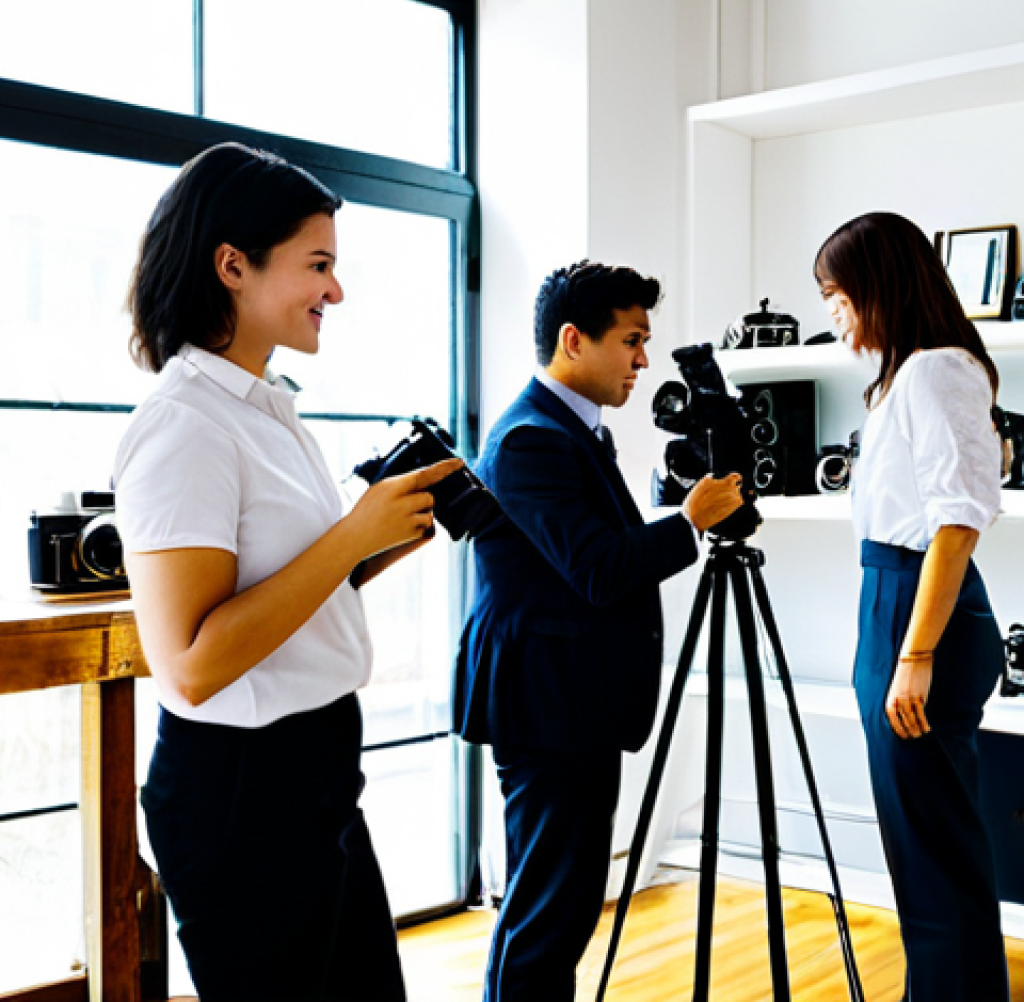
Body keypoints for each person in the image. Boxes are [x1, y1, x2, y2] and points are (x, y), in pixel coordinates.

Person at [113, 141, 461, 1002]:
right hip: (240, 793)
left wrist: (377, 543)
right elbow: (191, 664)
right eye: (318, 266)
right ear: (233, 265)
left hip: (314, 767)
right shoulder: (182, 424)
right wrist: (347, 540)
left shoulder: (266, 407)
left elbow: (285, 595)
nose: (335, 292)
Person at [453, 260, 744, 1001]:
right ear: (574, 340)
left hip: (568, 702)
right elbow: (599, 569)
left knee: (561, 902)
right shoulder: (531, 439)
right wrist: (688, 523)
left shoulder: (573, 430)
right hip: (547, 706)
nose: (644, 360)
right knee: (550, 907)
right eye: (633, 340)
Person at [815, 212, 1009, 1002]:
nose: (831, 307)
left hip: (918, 610)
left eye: (837, 291)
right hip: (893, 601)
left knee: (933, 844)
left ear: (878, 284)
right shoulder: (904, 374)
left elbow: (956, 519)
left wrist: (916, 654)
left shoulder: (936, 370)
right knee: (923, 841)